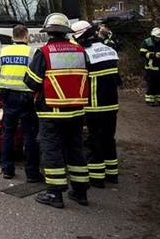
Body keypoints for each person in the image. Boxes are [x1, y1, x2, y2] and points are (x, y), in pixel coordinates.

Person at [24, 13, 90, 209]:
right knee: (75, 149)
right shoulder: (80, 51)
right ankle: (80, 192)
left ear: (49, 32)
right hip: (77, 111)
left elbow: (32, 82)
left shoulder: (44, 53)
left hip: (52, 112)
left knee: (52, 150)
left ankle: (54, 193)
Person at [72, 20, 122, 187]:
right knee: (109, 138)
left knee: (95, 141)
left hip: (94, 105)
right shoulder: (109, 49)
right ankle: (112, 174)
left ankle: (97, 178)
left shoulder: (85, 54)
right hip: (112, 104)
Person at [0, 24, 40, 182]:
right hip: (26, 98)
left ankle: (7, 170)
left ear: (13, 36)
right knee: (30, 136)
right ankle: (32, 173)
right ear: (26, 36)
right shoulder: (32, 52)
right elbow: (36, 77)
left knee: (8, 134)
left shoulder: (2, 51)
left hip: (7, 97)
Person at [140, 27, 160, 106]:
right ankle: (150, 100)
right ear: (153, 36)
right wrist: (154, 56)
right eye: (157, 38)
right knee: (152, 84)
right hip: (151, 68)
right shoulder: (147, 42)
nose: (158, 39)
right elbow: (142, 53)